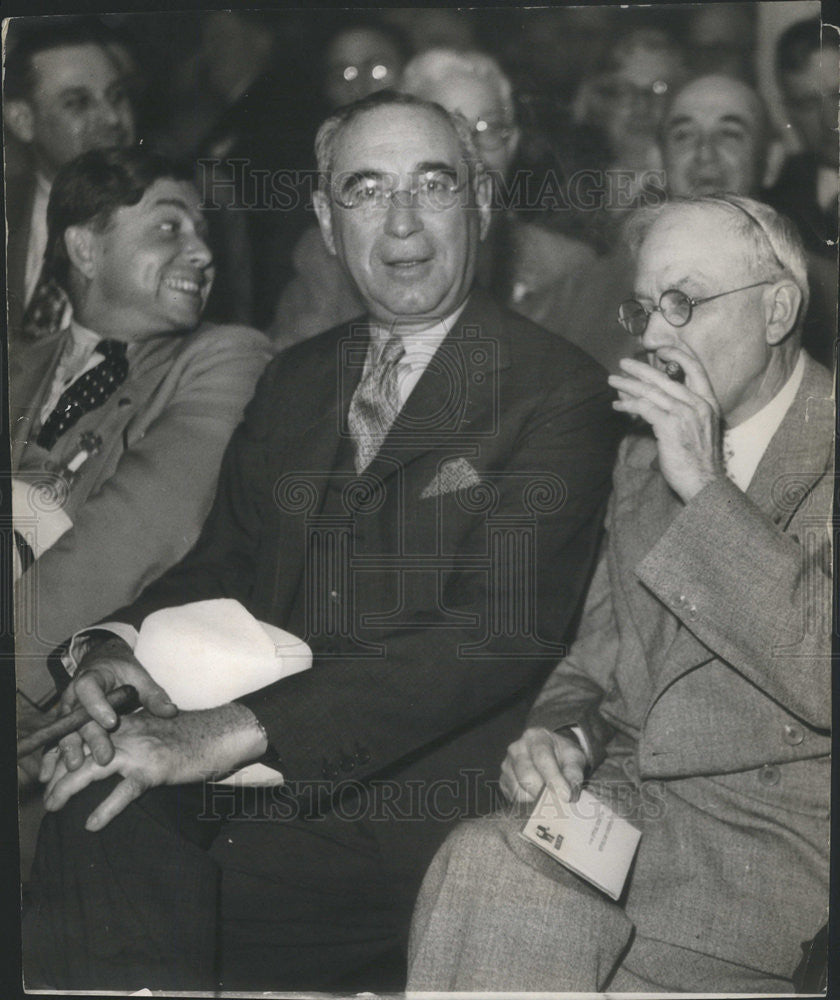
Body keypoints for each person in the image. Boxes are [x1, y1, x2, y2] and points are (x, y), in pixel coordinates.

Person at [22, 92, 620, 992]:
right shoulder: (298, 376)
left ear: (484, 205)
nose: (405, 223)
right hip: (257, 776)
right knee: (93, 810)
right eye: (367, 190)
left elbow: (487, 637)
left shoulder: (557, 390)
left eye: (434, 184)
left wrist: (227, 733)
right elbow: (224, 561)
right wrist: (116, 652)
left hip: (419, 803)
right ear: (326, 221)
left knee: (116, 848)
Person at [408, 195, 832, 993]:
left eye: (685, 302)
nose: (655, 336)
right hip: (626, 828)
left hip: (768, 876)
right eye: (645, 307)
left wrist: (706, 486)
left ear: (778, 309)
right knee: (483, 859)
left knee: (498, 889)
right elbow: (592, 670)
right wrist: (559, 736)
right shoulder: (641, 461)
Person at [12, 147, 271, 714]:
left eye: (202, 232)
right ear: (84, 249)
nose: (202, 253)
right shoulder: (17, 366)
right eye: (168, 226)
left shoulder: (226, 358)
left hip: (60, 694)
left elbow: (133, 534)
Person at [555, 73, 836, 373]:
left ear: (771, 160)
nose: (705, 153)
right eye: (684, 135)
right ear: (657, 161)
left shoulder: (827, 293)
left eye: (730, 134)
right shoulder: (578, 300)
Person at [4, 18, 137, 339]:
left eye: (117, 95)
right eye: (78, 103)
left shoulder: (179, 213)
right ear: (22, 121)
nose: (111, 118)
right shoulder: (10, 211)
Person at [766, 17, 839, 262]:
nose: (831, 121)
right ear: (788, 113)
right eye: (808, 104)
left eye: (838, 95)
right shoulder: (774, 205)